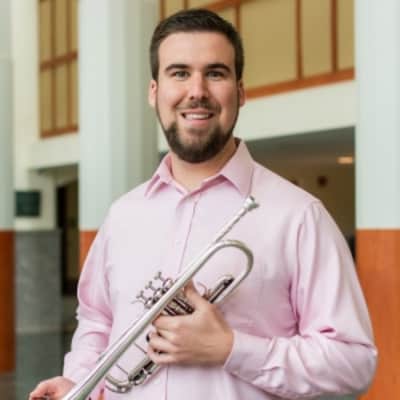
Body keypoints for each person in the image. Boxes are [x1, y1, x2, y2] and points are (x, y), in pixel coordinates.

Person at [30, 8, 377, 400]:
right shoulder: (123, 215)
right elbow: (97, 321)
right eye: (179, 73)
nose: (196, 90)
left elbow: (353, 363)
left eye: (215, 73)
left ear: (240, 92)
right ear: (154, 91)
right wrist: (80, 384)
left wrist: (231, 349)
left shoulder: (299, 216)